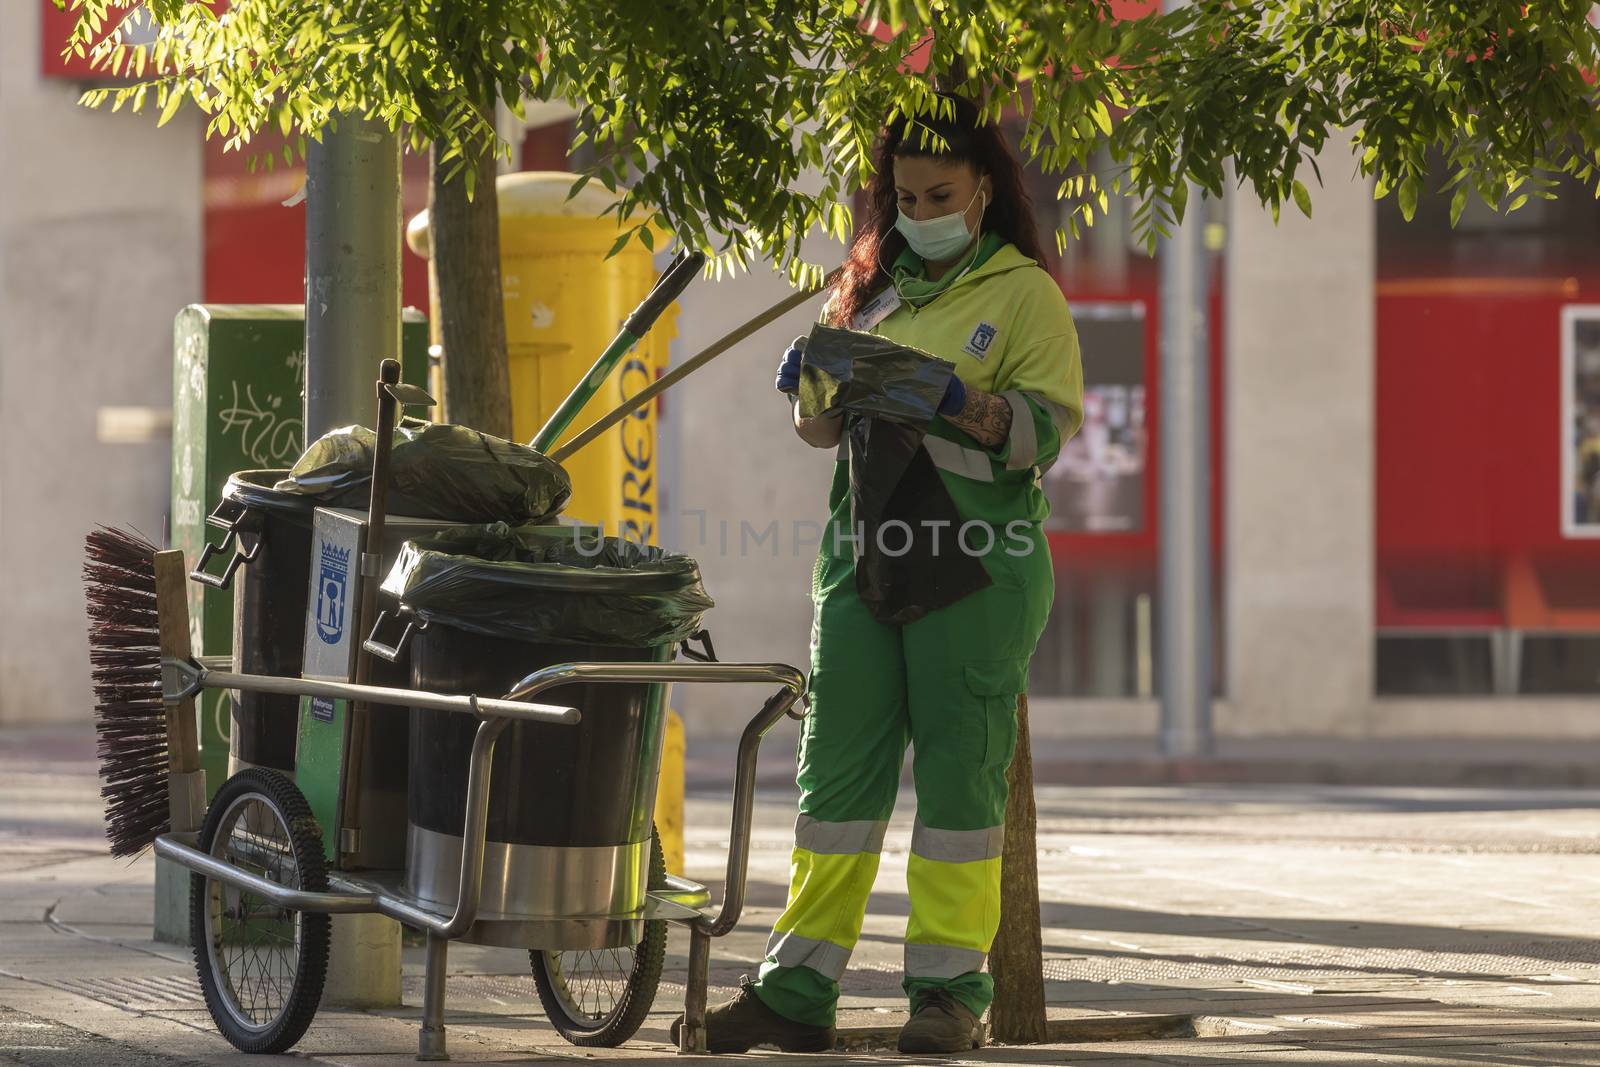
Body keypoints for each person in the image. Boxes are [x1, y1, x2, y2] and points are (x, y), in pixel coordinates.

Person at [673, 93, 1084, 1055]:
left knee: (957, 789)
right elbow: (820, 429)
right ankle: (795, 991)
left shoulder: (1026, 295)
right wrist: (808, 379)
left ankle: (947, 998)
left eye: (939, 192)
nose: (920, 210)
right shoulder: (871, 288)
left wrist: (955, 399)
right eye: (903, 195)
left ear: (983, 189)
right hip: (864, 561)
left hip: (977, 571)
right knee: (834, 784)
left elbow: (1041, 435)